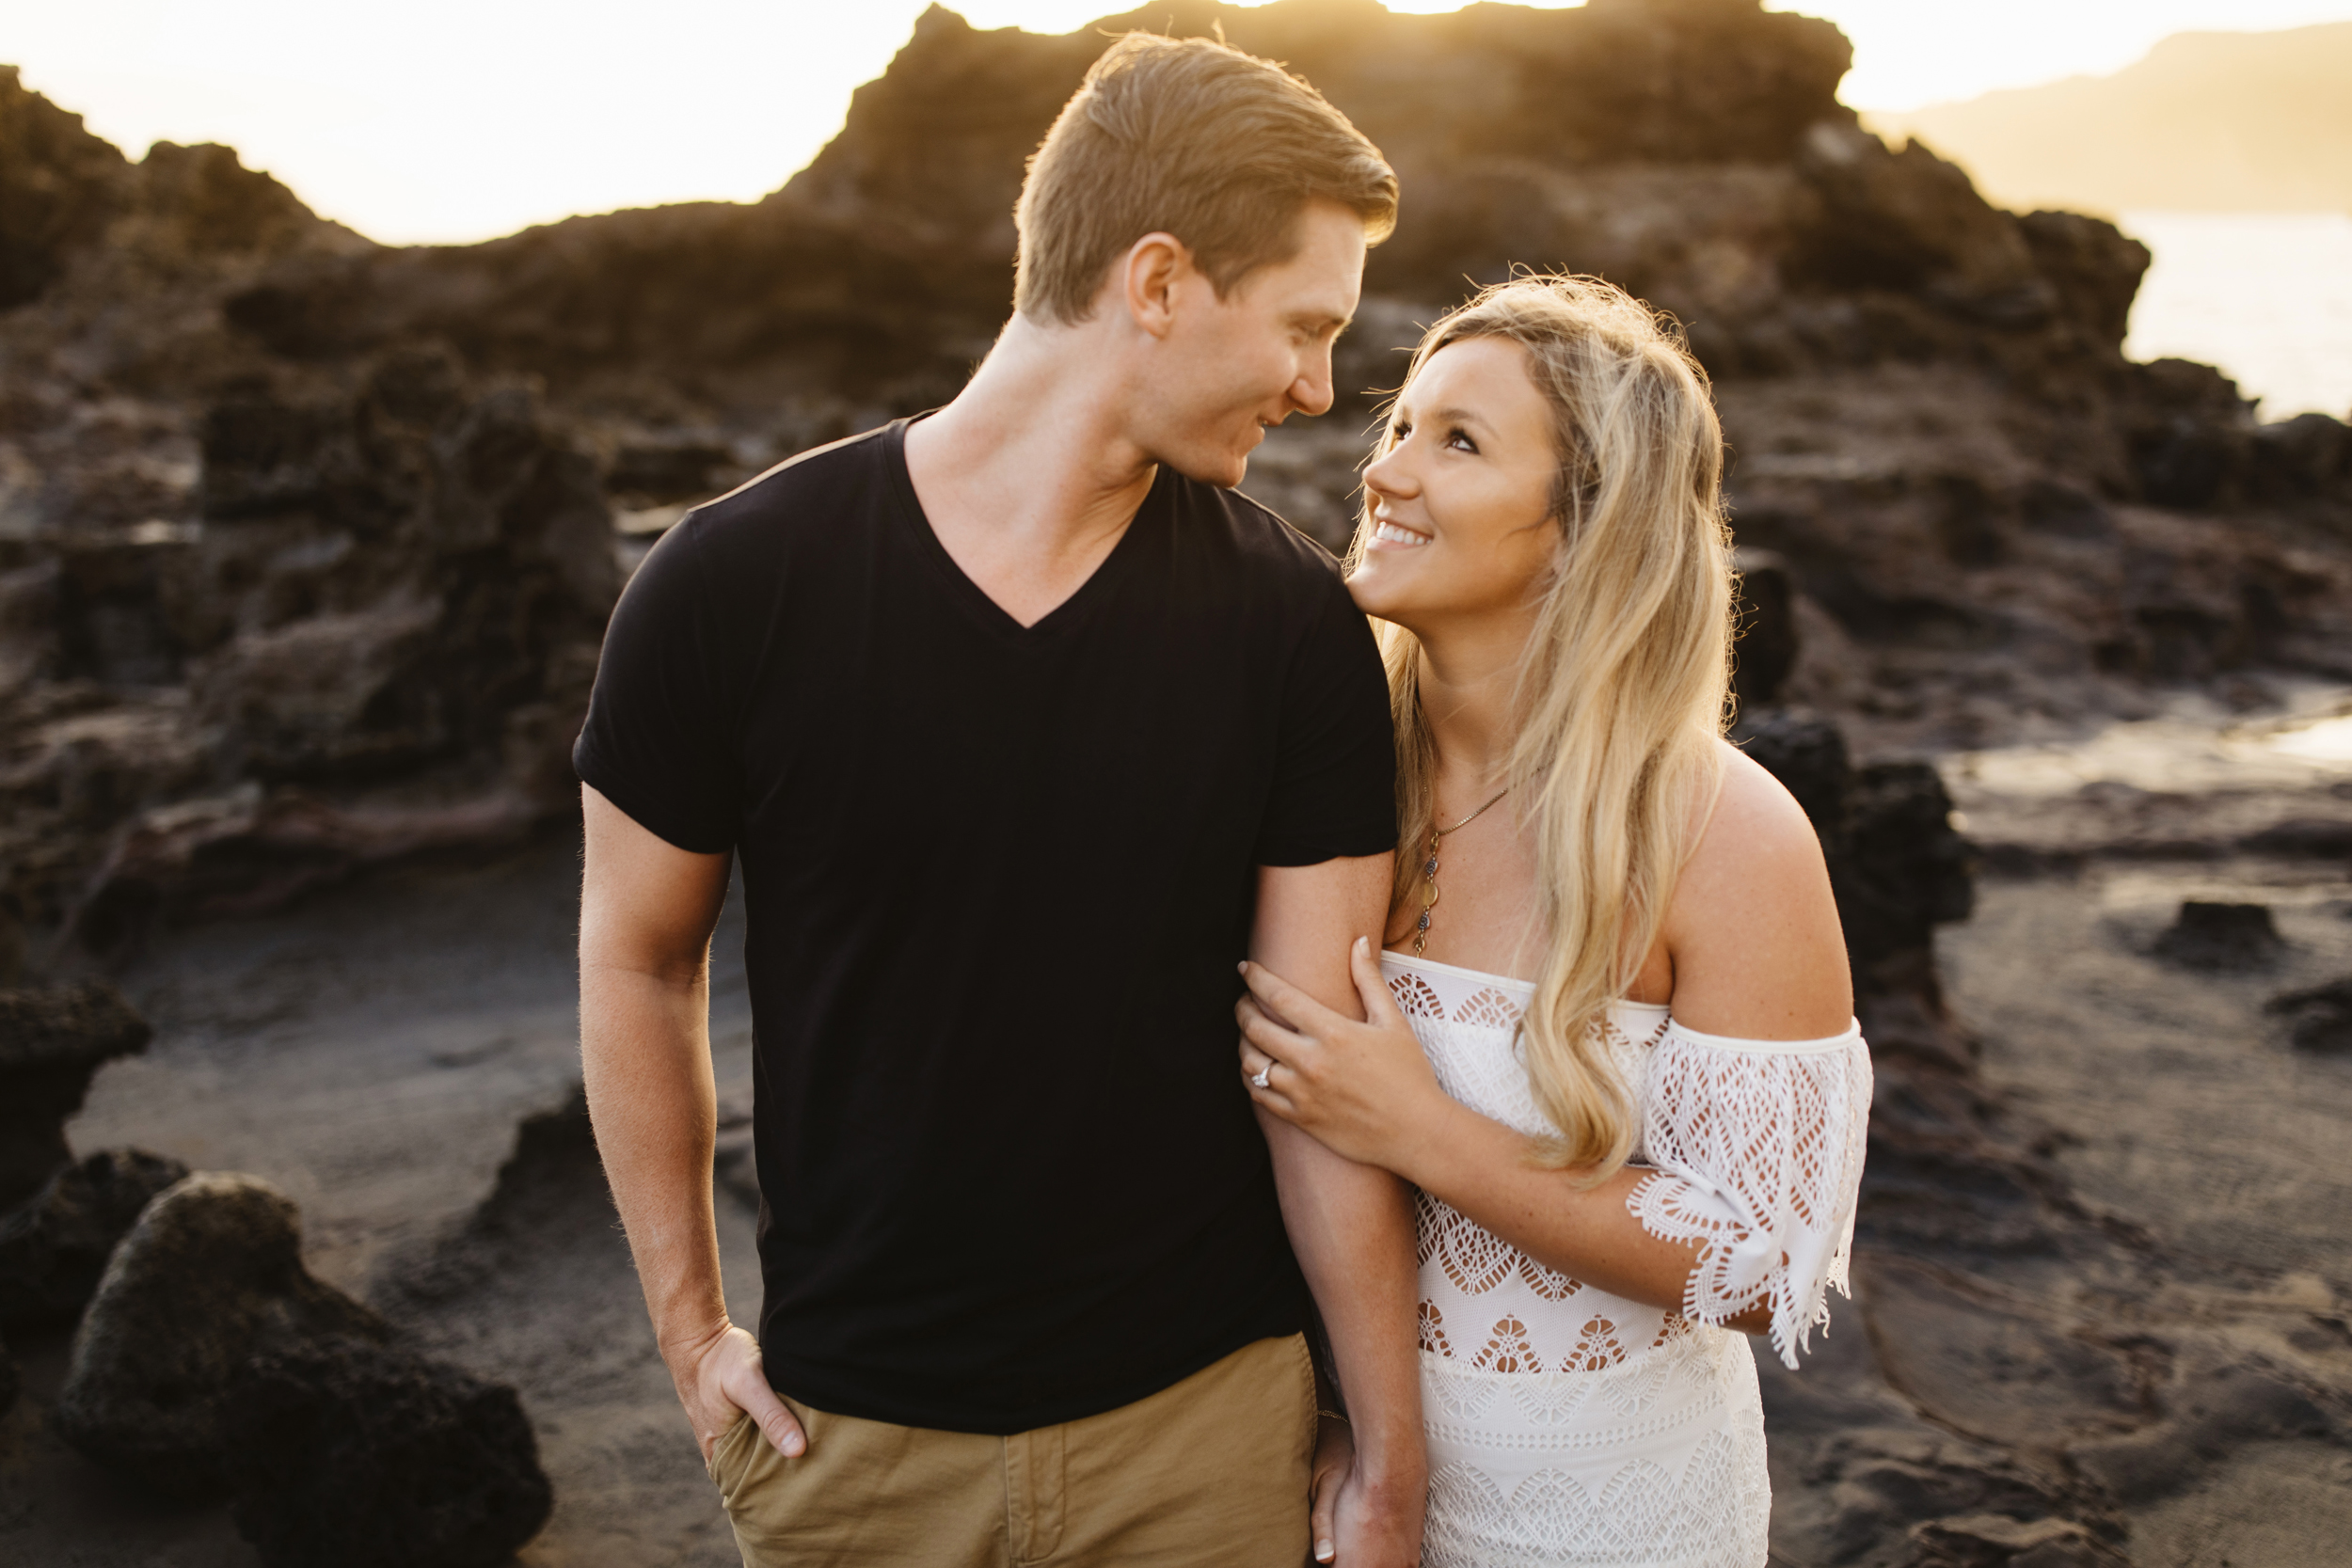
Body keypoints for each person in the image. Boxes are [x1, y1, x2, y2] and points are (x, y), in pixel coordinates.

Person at [573, 32, 1426, 1568]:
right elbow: (638, 958)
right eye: (1304, 327)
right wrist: (694, 1334)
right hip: (848, 1455)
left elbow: (1318, 1071)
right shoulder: (727, 588)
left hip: (1207, 1436)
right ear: (1157, 284)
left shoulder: (1294, 631)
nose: (1318, 390)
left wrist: (1380, 1445)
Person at [1234, 275, 1874, 1568]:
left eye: (1458, 442)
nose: (1386, 473)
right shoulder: (1326, 774)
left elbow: (1762, 1266)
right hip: (1318, 1479)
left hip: (1612, 1516)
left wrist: (1426, 1131)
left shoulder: (1719, 831)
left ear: (1585, 527)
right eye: (1400, 426)